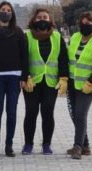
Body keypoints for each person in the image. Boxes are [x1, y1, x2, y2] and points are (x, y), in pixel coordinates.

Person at [0, 1, 29, 157]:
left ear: (12, 14)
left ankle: (9, 145)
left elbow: (25, 57)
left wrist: (24, 76)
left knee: (12, 113)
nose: (6, 12)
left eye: (9, 10)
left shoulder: (18, 32)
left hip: (15, 78)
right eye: (3, 10)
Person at [21, 8, 69, 155]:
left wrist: (63, 78)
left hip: (50, 82)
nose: (42, 19)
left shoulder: (56, 36)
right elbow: (22, 58)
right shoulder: (27, 35)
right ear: (34, 20)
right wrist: (25, 76)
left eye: (45, 17)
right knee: (31, 112)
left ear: (50, 20)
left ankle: (46, 144)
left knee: (48, 112)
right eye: (39, 17)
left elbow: (62, 59)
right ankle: (28, 144)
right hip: (32, 82)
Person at [66, 11, 92, 160]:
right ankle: (86, 146)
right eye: (82, 23)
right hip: (72, 83)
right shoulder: (74, 38)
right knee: (74, 114)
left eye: (88, 23)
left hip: (87, 85)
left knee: (81, 114)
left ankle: (77, 147)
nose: (84, 25)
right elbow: (69, 59)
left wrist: (91, 82)